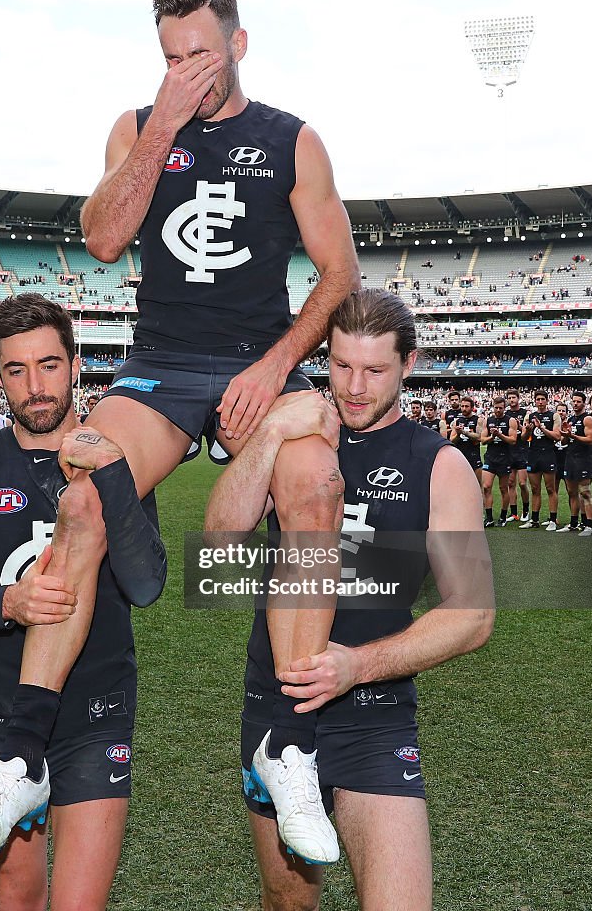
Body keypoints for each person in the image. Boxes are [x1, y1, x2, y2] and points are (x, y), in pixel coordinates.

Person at [0, 0, 360, 863]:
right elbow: (100, 238)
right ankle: (21, 753)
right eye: (169, 57)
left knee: (316, 480)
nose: (184, 71)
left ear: (238, 44)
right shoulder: (138, 127)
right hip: (162, 366)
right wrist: (164, 126)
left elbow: (338, 272)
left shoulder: (293, 140)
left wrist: (278, 364)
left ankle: (285, 742)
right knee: (84, 494)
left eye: (199, 55)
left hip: (259, 363)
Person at [205, 289, 494, 911]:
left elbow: (473, 613)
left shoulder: (438, 464)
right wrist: (273, 430)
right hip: (277, 708)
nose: (354, 386)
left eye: (375, 370)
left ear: (408, 364)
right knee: (289, 904)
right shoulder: (294, 439)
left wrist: (357, 666)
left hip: (373, 711)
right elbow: (221, 544)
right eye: (340, 366)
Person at [0, 293, 166, 909]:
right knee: (17, 901)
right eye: (16, 370)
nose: (36, 386)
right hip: (2, 715)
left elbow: (145, 585)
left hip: (95, 715)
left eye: (49, 365)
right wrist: (9, 603)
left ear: (76, 365)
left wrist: (112, 477)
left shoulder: (114, 457)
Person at [519, 390, 561, 531]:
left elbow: (557, 436)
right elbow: (524, 438)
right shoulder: (530, 416)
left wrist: (542, 428)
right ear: (535, 401)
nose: (540, 401)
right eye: (538, 399)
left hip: (548, 454)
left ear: (547, 400)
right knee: (535, 489)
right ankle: (534, 520)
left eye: (543, 399)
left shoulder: (553, 415)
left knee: (550, 489)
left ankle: (553, 520)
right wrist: (529, 430)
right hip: (533, 454)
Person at [558, 391, 592, 535]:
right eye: (573, 401)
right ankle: (574, 523)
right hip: (570, 458)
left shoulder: (588, 419)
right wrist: (566, 435)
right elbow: (563, 441)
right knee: (571, 492)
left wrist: (572, 435)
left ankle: (589, 526)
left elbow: (590, 440)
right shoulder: (571, 419)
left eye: (578, 401)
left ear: (584, 403)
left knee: (585, 492)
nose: (575, 403)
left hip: (583, 459)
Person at [480, 394, 518, 526]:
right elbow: (483, 440)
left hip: (504, 458)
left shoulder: (510, 421)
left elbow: (513, 440)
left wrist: (500, 435)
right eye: (496, 408)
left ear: (504, 408)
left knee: (503, 489)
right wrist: (492, 437)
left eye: (500, 408)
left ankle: (502, 516)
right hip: (490, 457)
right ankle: (489, 518)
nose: (498, 410)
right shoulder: (488, 420)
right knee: (486, 487)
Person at [505, 388, 530, 521]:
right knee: (510, 483)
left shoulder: (525, 413)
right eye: (509, 398)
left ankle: (526, 510)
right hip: (509, 451)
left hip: (522, 451)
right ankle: (513, 513)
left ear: (518, 398)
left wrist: (520, 427)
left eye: (514, 397)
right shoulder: (506, 414)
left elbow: (527, 433)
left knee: (522, 483)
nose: (511, 400)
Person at [448, 394, 484, 484]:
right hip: (460, 457)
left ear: (472, 408)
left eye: (467, 406)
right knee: (460, 486)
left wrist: (465, 433)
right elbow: (451, 440)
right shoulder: (457, 421)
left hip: (474, 457)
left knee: (478, 486)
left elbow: (480, 437)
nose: (464, 408)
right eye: (462, 406)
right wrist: (458, 435)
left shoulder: (478, 420)